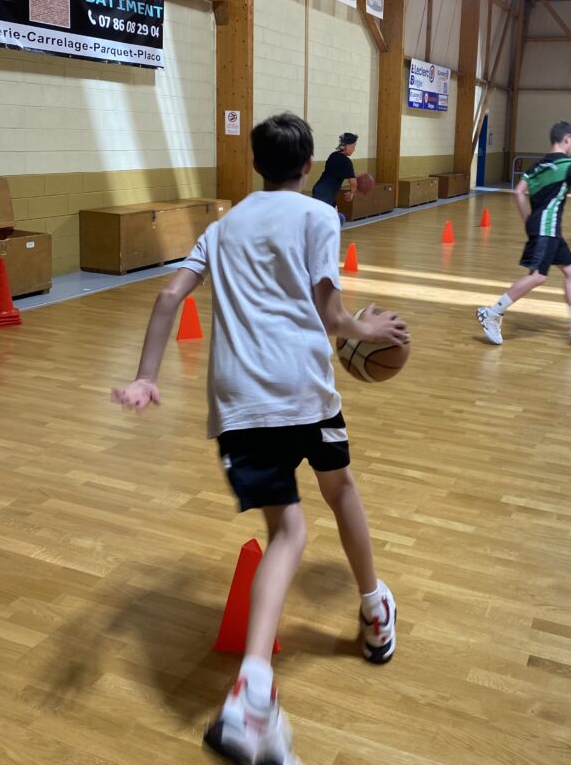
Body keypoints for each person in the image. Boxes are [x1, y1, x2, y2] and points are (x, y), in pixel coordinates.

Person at [111, 113, 408, 765]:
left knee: (286, 533)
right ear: (308, 166)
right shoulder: (318, 215)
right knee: (340, 490)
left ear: (254, 164)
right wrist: (369, 330)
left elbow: (167, 299)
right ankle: (372, 608)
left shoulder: (223, 226)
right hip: (302, 389)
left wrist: (145, 377)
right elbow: (332, 315)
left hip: (238, 403)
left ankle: (253, 692)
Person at [476, 121, 571, 346]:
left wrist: (528, 221)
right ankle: (492, 313)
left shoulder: (538, 165)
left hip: (546, 228)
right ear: (566, 139)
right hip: (547, 228)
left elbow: (519, 192)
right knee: (538, 276)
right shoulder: (568, 165)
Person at [311, 132, 358, 207]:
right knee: (328, 213)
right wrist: (352, 192)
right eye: (353, 146)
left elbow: (336, 173)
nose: (354, 149)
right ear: (346, 146)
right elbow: (353, 182)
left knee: (332, 210)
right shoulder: (346, 161)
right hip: (327, 193)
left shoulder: (332, 155)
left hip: (318, 188)